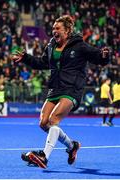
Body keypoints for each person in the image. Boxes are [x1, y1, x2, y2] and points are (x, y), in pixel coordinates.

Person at [11, 15, 110, 168]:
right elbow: (42, 63)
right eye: (53, 29)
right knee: (43, 123)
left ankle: (44, 156)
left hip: (72, 88)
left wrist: (104, 56)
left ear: (68, 31)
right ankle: (72, 146)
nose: (54, 31)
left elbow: (97, 57)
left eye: (58, 29)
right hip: (55, 87)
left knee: (53, 120)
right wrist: (26, 58)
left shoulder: (79, 45)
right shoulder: (51, 45)